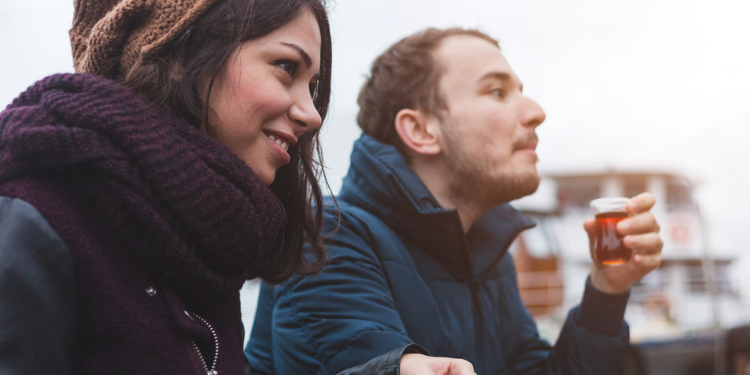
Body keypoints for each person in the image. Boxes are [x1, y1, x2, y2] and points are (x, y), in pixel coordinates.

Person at [246, 28, 664, 374]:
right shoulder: (329, 238)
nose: (536, 111)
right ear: (421, 131)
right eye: (498, 92)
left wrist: (606, 291)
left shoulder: (485, 252)